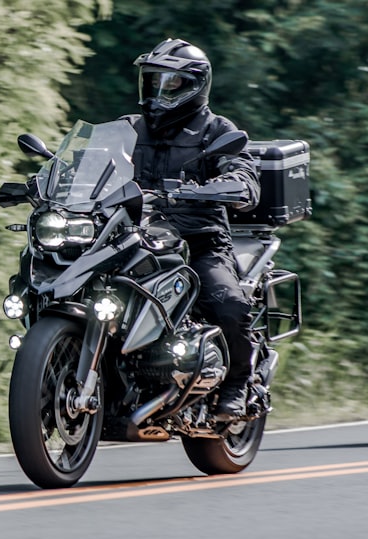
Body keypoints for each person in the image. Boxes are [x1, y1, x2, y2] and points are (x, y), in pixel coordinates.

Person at [122, 38, 261, 420]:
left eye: (172, 83)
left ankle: (237, 384)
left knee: (229, 304)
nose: (159, 91)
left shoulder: (217, 130)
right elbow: (89, 162)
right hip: (133, 240)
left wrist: (228, 185)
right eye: (153, 81)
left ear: (195, 86)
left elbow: (244, 176)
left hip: (197, 242)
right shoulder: (129, 129)